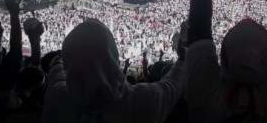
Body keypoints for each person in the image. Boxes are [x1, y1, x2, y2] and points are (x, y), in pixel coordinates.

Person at [42, 19, 186, 122]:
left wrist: (63, 57)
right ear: (114, 59)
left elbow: (56, 70)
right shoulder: (142, 101)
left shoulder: (58, 98)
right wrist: (183, 58)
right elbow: (172, 84)